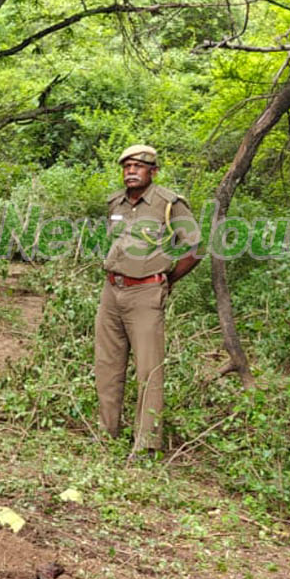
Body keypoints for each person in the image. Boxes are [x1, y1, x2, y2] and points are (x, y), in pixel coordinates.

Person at [95, 143, 201, 455]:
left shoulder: (169, 203)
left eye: (138, 167)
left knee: (148, 371)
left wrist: (167, 280)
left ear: (152, 171)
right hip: (111, 291)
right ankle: (106, 435)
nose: (131, 172)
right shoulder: (116, 202)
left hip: (146, 293)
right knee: (107, 366)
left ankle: (146, 446)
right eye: (126, 167)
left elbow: (195, 248)